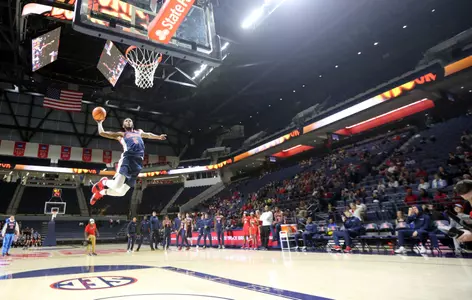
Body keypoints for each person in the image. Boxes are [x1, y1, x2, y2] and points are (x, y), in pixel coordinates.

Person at [90, 118, 167, 204]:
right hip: (127, 159)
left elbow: (148, 135)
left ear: (132, 124)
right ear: (123, 126)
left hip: (138, 163)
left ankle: (101, 193)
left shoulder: (139, 132)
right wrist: (99, 123)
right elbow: (102, 133)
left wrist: (158, 137)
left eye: (130, 120)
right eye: (126, 121)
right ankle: (103, 181)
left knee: (122, 192)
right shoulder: (121, 134)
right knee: (116, 185)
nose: (128, 121)